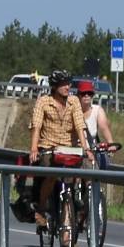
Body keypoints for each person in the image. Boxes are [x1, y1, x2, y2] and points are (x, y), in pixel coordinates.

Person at [27, 71, 92, 228]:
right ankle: (41, 209)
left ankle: (83, 210)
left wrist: (85, 148)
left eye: (69, 84)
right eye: (63, 84)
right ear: (55, 86)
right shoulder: (44, 101)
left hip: (70, 149)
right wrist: (34, 148)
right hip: (49, 147)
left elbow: (79, 125)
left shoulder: (74, 101)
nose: (67, 87)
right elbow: (36, 126)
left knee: (89, 173)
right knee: (52, 174)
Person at [75, 79, 116, 168]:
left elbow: (104, 127)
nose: (86, 96)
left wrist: (110, 143)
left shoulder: (97, 110)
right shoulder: (72, 110)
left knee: (93, 173)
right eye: (83, 93)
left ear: (93, 95)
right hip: (74, 150)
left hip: (90, 152)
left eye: (89, 93)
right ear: (78, 95)